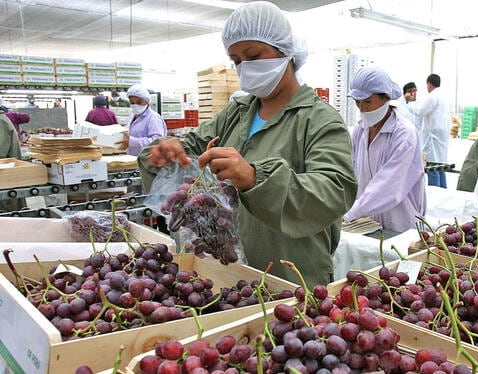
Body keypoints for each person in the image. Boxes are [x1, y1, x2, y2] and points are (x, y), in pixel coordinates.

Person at [137, 1, 357, 285]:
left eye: (253, 55)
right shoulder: (237, 113)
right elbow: (189, 148)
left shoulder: (318, 120)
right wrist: (166, 151)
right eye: (237, 60)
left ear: (285, 50)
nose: (245, 67)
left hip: (290, 277)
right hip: (226, 273)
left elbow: (334, 190)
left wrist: (255, 178)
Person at [343, 67, 426, 233]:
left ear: (386, 98)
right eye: (357, 102)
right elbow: (350, 171)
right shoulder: (360, 130)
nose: (362, 108)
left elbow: (388, 183)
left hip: (399, 224)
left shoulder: (403, 134)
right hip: (366, 223)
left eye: (367, 102)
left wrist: (352, 212)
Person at [407, 74, 450, 188]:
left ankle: (435, 194)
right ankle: (443, 193)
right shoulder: (444, 96)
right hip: (441, 137)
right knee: (441, 166)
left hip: (433, 137)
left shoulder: (432, 96)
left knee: (432, 166)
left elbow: (421, 111)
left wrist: (410, 103)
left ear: (429, 84)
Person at [116, 84, 166, 156]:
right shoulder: (132, 115)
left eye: (139, 102)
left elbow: (158, 141)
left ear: (147, 101)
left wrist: (132, 141)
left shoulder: (153, 118)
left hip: (148, 162)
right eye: (132, 103)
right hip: (133, 159)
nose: (135, 105)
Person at [0, 108, 25, 213]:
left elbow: (1, 153)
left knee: (8, 214)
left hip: (6, 179)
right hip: (6, 180)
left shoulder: (1, 122)